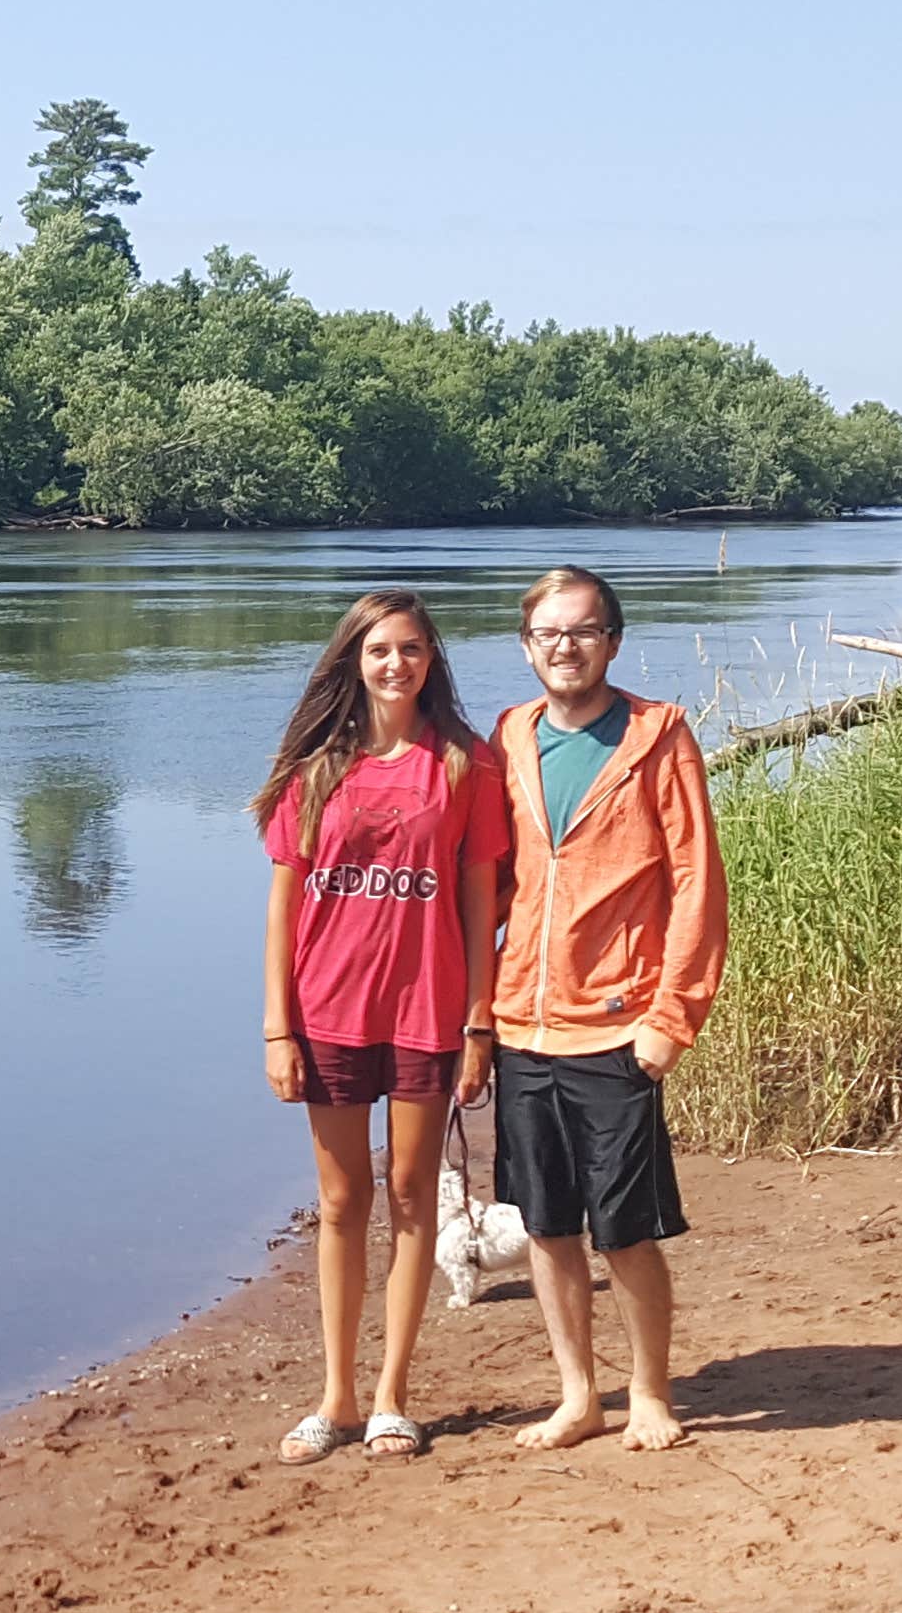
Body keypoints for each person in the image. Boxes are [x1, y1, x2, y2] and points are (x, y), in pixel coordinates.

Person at [255, 589, 511, 1462]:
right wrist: (275, 1029)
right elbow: (283, 905)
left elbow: (481, 899)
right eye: (377, 651)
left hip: (426, 1010)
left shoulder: (464, 765)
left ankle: (394, 1394)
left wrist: (480, 1020)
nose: (394, 664)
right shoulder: (316, 768)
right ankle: (335, 1397)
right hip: (327, 1007)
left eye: (409, 648)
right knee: (338, 1202)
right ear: (353, 662)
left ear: (430, 659)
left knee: (409, 1196)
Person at [484, 567, 726, 1452]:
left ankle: (651, 1393)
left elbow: (698, 882)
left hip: (619, 1026)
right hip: (523, 1025)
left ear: (613, 641)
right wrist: (478, 1016)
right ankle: (578, 1395)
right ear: (526, 646)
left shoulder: (658, 736)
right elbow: (489, 885)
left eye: (582, 631)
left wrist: (671, 1017)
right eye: (548, 633)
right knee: (547, 1224)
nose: (565, 647)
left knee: (625, 1228)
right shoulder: (510, 735)